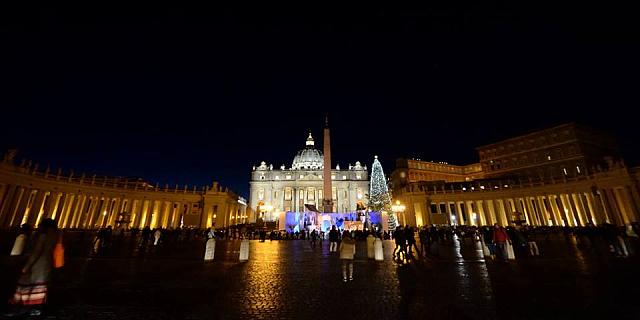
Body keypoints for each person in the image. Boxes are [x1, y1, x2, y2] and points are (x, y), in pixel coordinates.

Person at [5, 218, 59, 317]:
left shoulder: (42, 236)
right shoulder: (55, 236)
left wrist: (27, 266)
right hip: (47, 265)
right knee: (40, 288)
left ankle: (19, 307)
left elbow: (36, 252)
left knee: (25, 287)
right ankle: (36, 308)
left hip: (36, 266)